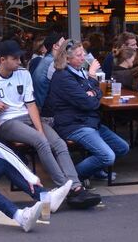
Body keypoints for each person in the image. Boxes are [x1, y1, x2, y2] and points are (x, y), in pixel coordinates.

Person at [0, 39, 99, 208]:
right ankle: (67, 189)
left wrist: (40, 128)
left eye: (19, 58)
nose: (19, 61)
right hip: (8, 121)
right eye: (15, 58)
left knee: (58, 143)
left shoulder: (24, 73)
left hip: (28, 117)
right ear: (2, 60)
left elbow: (31, 104)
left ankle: (76, 186)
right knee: (41, 141)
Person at [43, 40, 129, 183]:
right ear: (67, 58)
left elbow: (95, 93)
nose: (83, 57)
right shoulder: (63, 77)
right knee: (107, 156)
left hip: (89, 122)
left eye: (83, 53)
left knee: (122, 148)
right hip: (74, 125)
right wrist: (92, 80)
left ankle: (94, 171)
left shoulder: (79, 72)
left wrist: (92, 90)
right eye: (79, 55)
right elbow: (89, 102)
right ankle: (73, 177)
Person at [31, 32, 65, 109]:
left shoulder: (47, 60)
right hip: (47, 110)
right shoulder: (53, 62)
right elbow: (63, 85)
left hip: (42, 105)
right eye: (63, 43)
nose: (67, 46)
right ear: (55, 46)